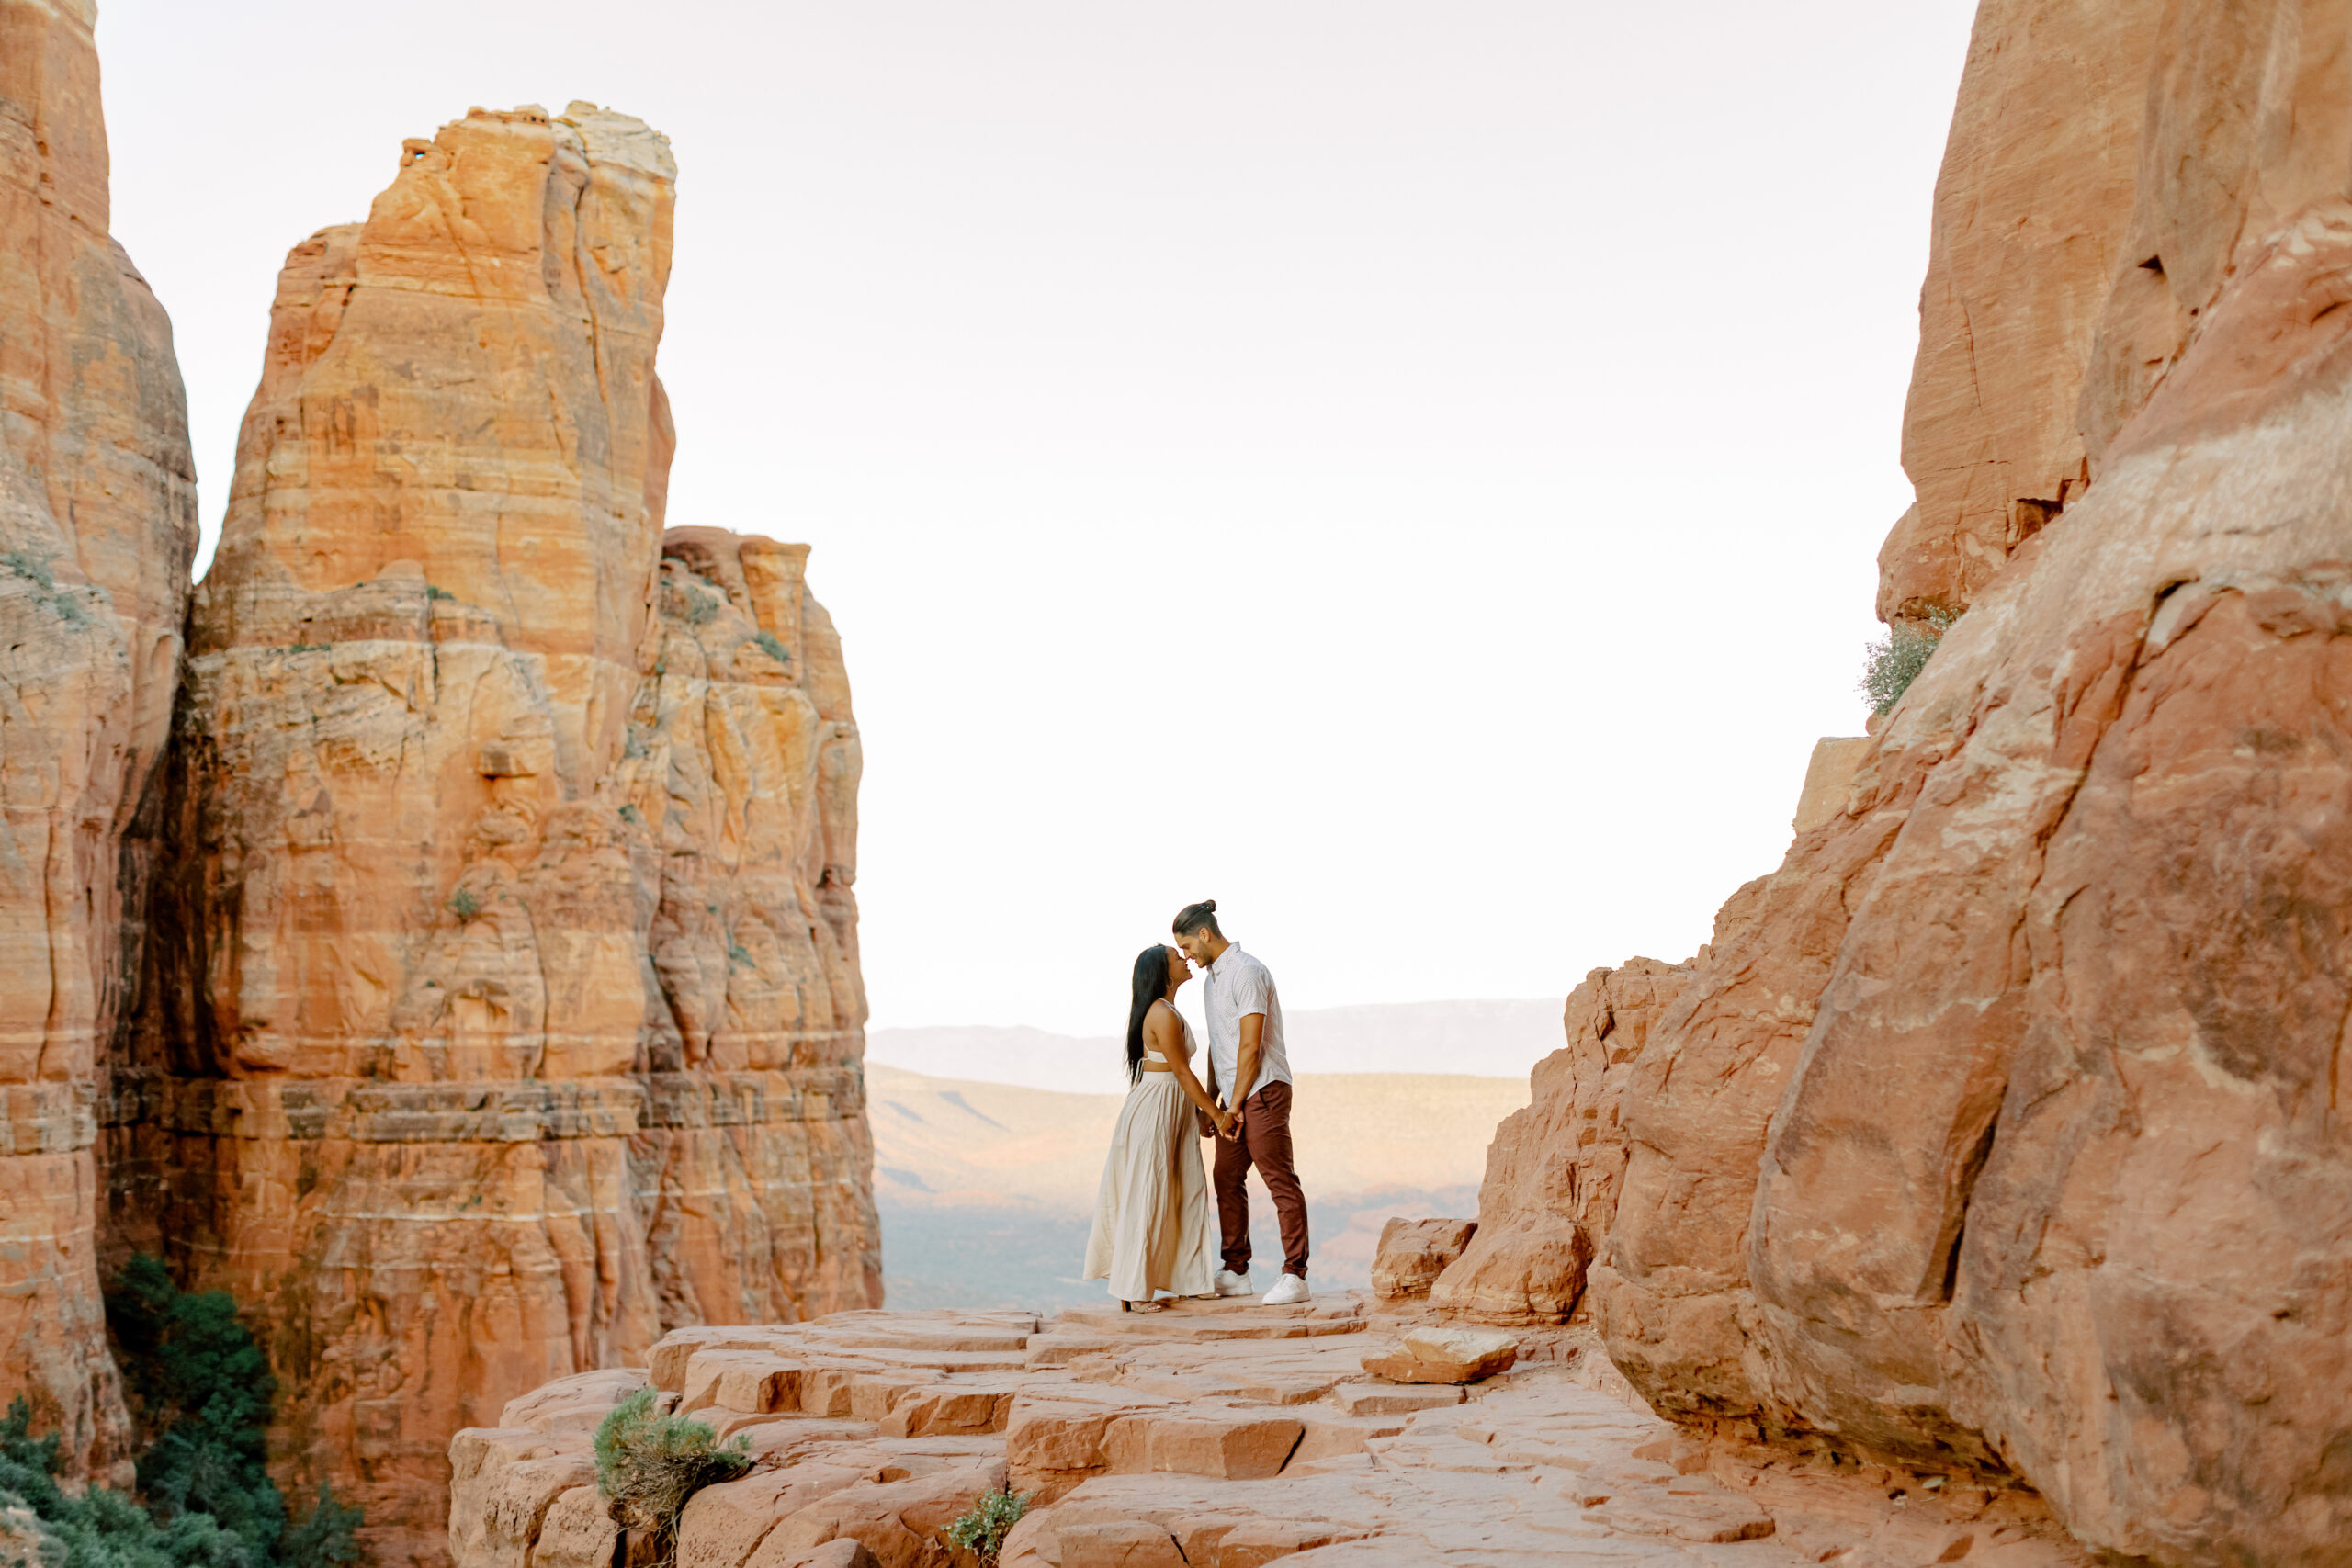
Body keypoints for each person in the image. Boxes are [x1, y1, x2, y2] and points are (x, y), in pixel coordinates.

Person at [1172, 899, 1310, 1305]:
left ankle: (1296, 1275)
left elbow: (1250, 1047)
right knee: (1226, 1179)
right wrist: (1212, 1104)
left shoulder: (1247, 971)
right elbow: (1221, 1046)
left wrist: (1232, 1107)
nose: (1186, 957)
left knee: (1279, 1180)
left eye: (1186, 947)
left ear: (1204, 933)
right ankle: (1236, 1270)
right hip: (1233, 1098)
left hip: (1263, 1091)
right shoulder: (1213, 980)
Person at [1083, 943, 1234, 1310]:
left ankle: (1190, 1278)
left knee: (1188, 1189)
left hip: (1174, 1106)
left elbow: (1182, 1075)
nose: (1184, 959)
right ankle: (1133, 1288)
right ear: (1163, 973)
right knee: (1148, 1192)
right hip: (1157, 1107)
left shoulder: (1168, 1010)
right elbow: (1182, 1072)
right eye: (1175, 957)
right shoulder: (1161, 1014)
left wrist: (1197, 1113)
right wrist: (1215, 1114)